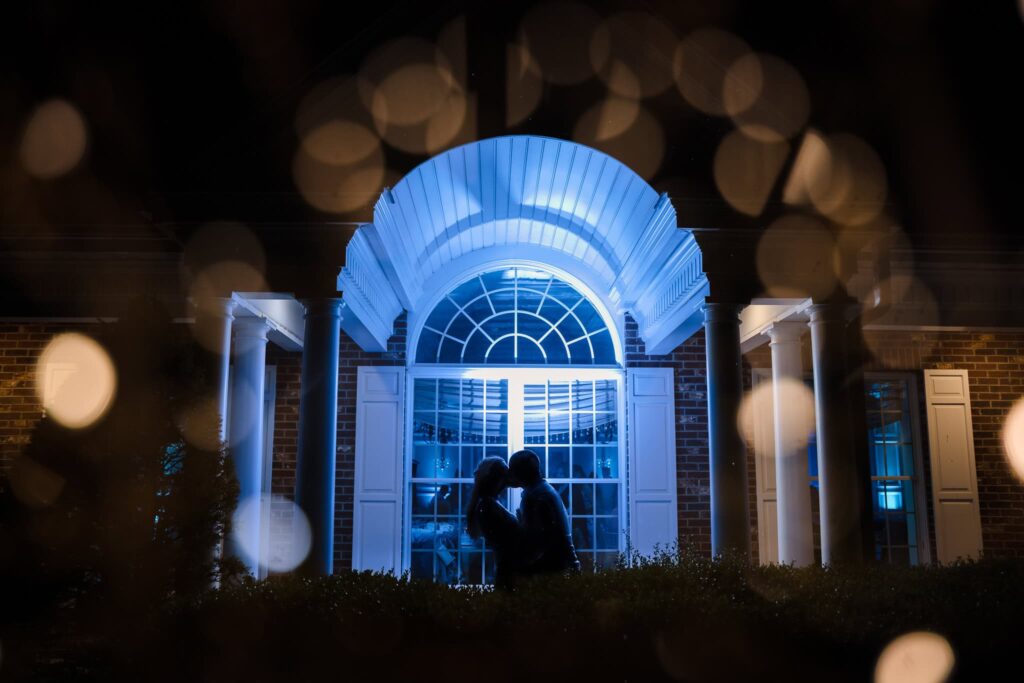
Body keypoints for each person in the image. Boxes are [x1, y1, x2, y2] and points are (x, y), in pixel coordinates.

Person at [507, 449, 581, 576]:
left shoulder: (534, 496)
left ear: (519, 472)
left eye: (512, 470)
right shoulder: (543, 489)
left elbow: (533, 541)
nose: (509, 474)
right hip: (563, 565)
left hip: (552, 570)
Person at [466, 456, 523, 588]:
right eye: (506, 474)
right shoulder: (488, 506)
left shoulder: (489, 503)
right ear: (498, 480)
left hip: (507, 569)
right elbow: (507, 539)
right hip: (508, 572)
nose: (509, 476)